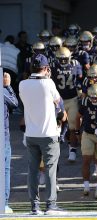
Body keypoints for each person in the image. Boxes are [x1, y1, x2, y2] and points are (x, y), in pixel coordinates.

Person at [19, 54, 64, 215]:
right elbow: (58, 102)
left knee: (33, 170)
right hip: (49, 133)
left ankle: (34, 206)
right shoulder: (48, 83)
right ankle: (51, 205)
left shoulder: (22, 84)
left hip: (31, 133)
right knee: (50, 169)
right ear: (45, 68)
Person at [3, 72, 18, 213]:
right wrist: (8, 87)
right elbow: (15, 103)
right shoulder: (3, 92)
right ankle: (4, 203)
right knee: (5, 170)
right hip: (3, 137)